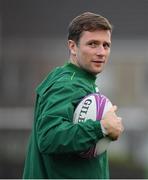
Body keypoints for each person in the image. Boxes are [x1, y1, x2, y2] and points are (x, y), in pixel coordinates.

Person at [23, 12, 124, 179]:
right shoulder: (67, 84)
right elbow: (49, 137)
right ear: (72, 46)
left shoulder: (80, 80)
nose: (101, 52)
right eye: (93, 44)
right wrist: (101, 127)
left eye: (106, 45)